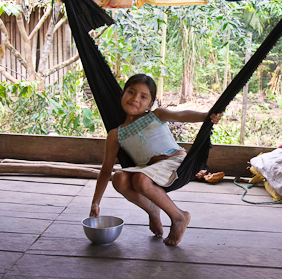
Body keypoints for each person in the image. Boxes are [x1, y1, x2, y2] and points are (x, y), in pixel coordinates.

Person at [90, 74, 222, 246]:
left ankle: (179, 217)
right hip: (148, 169)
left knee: (141, 179)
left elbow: (181, 115)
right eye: (131, 92)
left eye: (143, 96)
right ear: (122, 94)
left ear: (151, 103)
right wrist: (95, 202)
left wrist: (206, 116)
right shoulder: (116, 134)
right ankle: (153, 210)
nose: (135, 98)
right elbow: (106, 169)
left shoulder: (156, 115)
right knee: (119, 178)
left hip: (174, 161)